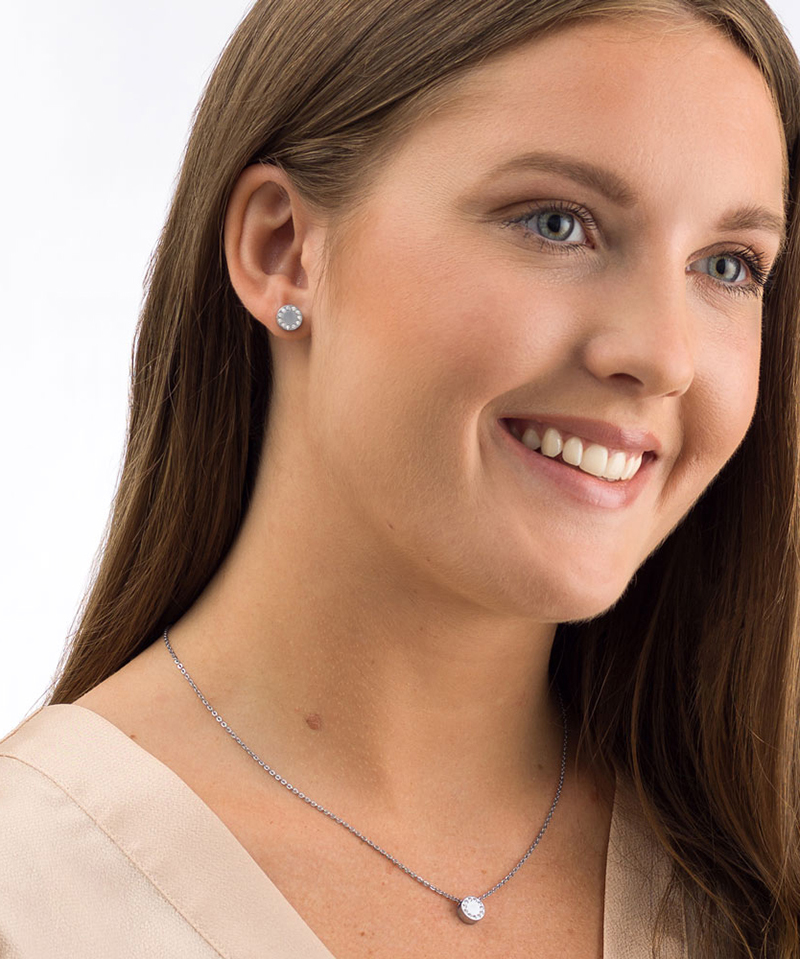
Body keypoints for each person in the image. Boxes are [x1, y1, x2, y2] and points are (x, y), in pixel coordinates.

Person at [1, 0, 798, 955]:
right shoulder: (32, 896)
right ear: (282, 250)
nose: (665, 355)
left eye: (728, 266)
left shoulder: (754, 885)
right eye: (557, 223)